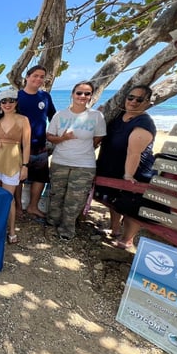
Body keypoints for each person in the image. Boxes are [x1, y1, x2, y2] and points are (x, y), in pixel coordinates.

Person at [95, 85, 158, 250]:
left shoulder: (144, 122)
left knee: (132, 205)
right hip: (112, 168)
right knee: (114, 200)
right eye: (131, 97)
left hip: (136, 172)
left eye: (139, 99)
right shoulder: (119, 116)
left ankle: (127, 239)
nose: (133, 102)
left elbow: (134, 152)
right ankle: (115, 229)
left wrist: (128, 176)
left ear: (147, 102)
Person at [46, 81, 106, 241]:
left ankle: (67, 230)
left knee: (75, 199)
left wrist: (84, 148)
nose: (82, 96)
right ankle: (52, 223)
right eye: (79, 93)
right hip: (60, 161)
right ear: (72, 94)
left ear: (91, 96)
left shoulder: (96, 116)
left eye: (87, 94)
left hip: (84, 165)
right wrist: (63, 138)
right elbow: (50, 136)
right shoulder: (60, 115)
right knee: (56, 195)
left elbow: (98, 137)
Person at [0, 88, 31, 244]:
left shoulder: (23, 120)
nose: (7, 104)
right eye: (4, 101)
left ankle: (11, 229)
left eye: (11, 101)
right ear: (0, 103)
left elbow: (26, 145)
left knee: (8, 198)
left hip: (13, 162)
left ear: (16, 102)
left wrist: (25, 165)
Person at [16, 65, 56, 219]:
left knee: (40, 177)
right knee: (18, 178)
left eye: (42, 77)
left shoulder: (45, 97)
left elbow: (54, 117)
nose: (38, 79)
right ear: (27, 76)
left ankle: (33, 207)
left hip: (40, 145)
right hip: (19, 146)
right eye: (35, 76)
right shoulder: (17, 96)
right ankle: (19, 207)